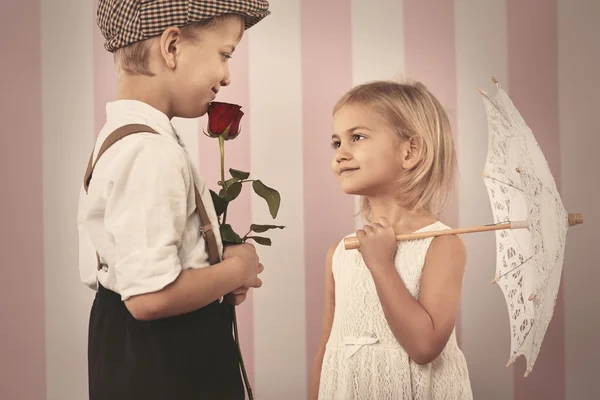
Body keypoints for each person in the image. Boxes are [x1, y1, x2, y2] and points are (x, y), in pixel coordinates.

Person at [77, 1, 270, 399]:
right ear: (172, 48)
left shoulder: (120, 138)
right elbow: (150, 298)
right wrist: (239, 267)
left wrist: (212, 262)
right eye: (224, 54)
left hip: (131, 347)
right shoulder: (152, 153)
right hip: (166, 357)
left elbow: (144, 256)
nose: (227, 76)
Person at [310, 80, 473, 399]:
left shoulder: (442, 244)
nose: (341, 154)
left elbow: (424, 347)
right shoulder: (340, 253)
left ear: (409, 151)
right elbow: (326, 351)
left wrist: (381, 264)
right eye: (336, 143)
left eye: (356, 137)